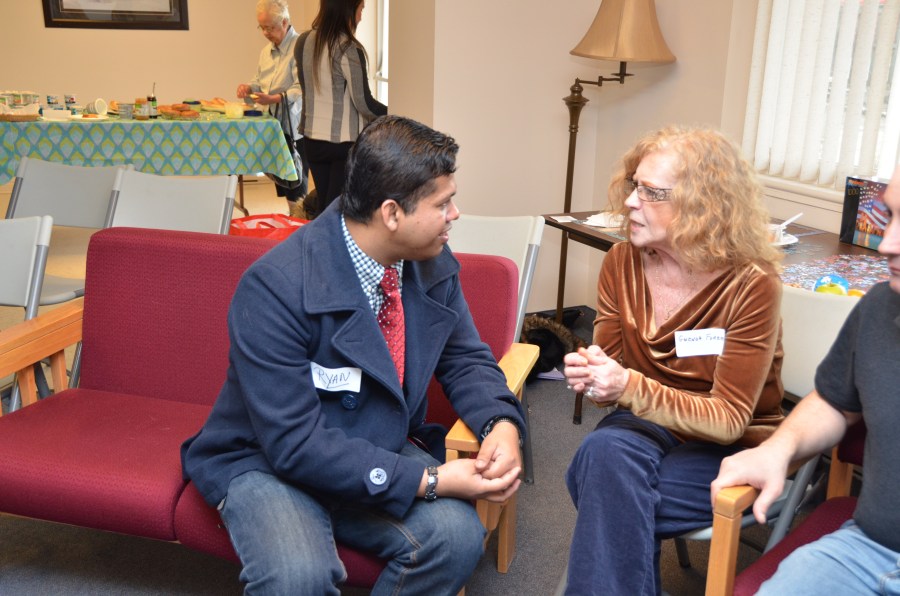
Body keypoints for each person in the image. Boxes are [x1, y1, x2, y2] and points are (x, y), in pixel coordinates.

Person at [181, 115, 525, 595]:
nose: (455, 214)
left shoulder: (429, 263)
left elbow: (465, 359)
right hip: (268, 460)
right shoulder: (274, 286)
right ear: (392, 213)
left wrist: (500, 423)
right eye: (443, 203)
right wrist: (430, 480)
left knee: (454, 538)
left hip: (375, 444)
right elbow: (294, 445)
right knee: (297, 577)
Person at [560, 125, 785, 595]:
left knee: (602, 482)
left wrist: (626, 386)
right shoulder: (621, 262)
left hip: (731, 443)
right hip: (646, 425)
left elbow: (728, 419)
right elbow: (609, 386)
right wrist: (595, 374)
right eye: (633, 185)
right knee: (603, 460)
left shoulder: (751, 283)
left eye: (651, 192)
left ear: (701, 205)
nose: (629, 201)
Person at [711, 165, 900, 594]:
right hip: (867, 549)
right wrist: (779, 448)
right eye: (890, 217)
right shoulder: (879, 305)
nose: (887, 243)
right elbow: (836, 401)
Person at [294, 0, 388, 217]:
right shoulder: (348, 48)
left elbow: (308, 90)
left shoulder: (303, 41)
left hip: (312, 140)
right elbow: (365, 104)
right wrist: (396, 114)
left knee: (326, 209)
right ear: (348, 9)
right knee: (338, 213)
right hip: (342, 145)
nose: (361, 16)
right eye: (361, 9)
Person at [237, 0, 310, 218]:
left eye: (270, 27)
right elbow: (259, 81)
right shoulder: (266, 52)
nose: (266, 33)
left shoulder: (300, 47)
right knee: (283, 181)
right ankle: (292, 220)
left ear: (284, 22)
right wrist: (248, 87)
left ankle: (299, 223)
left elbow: (301, 87)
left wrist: (275, 98)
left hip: (296, 126)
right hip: (274, 124)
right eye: (262, 27)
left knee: (296, 182)